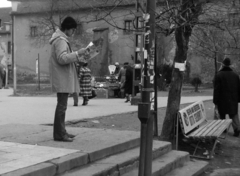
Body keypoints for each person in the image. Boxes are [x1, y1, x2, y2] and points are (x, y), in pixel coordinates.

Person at [49, 16, 90, 142]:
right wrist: (78, 53)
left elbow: (65, 58)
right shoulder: (60, 40)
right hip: (62, 77)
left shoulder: (60, 38)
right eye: (72, 30)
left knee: (62, 106)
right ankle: (60, 135)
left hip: (62, 76)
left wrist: (78, 57)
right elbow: (62, 58)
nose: (73, 32)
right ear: (67, 28)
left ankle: (62, 132)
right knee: (62, 106)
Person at [213, 57, 240, 137]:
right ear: (230, 65)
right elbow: (239, 88)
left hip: (222, 99)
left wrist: (215, 101)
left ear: (222, 64)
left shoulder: (219, 75)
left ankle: (223, 129)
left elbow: (216, 89)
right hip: (233, 99)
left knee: (222, 114)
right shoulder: (235, 75)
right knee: (234, 114)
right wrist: (238, 99)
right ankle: (237, 129)